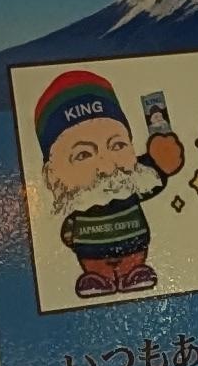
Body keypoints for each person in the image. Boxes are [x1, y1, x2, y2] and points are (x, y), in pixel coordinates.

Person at [36, 68, 181, 295]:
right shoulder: (77, 200)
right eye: (83, 155)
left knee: (133, 262)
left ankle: (133, 271)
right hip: (90, 255)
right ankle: (97, 277)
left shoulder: (128, 182)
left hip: (133, 248)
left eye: (117, 146)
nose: (106, 167)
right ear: (53, 174)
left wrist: (161, 161)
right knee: (95, 268)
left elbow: (149, 176)